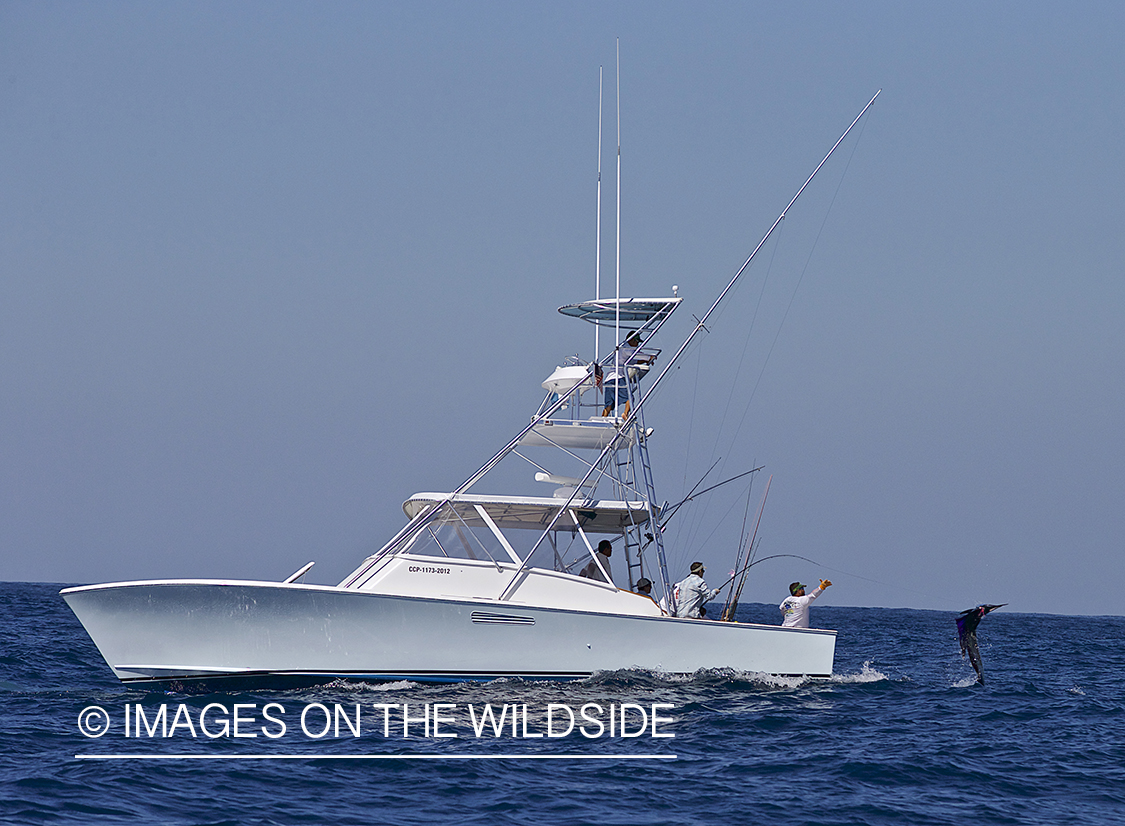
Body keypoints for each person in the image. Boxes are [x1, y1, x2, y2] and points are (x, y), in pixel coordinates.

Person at [602, 332, 651, 419]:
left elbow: (632, 361)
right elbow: (635, 354)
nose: (637, 344)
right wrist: (648, 357)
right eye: (636, 341)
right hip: (618, 378)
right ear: (631, 340)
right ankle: (625, 414)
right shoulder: (625, 348)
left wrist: (645, 361)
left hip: (609, 379)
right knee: (630, 398)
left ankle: (603, 419)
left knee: (609, 405)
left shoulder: (621, 349)